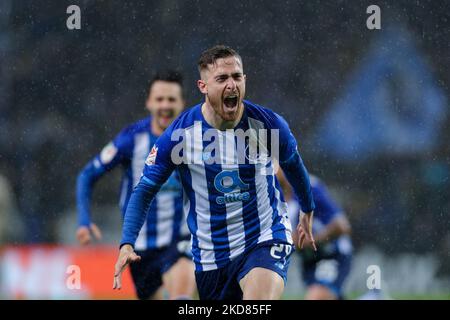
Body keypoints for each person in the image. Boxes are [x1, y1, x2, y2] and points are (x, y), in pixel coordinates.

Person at [113, 45, 316, 300]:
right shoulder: (180, 136)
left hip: (264, 236)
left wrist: (307, 208)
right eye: (221, 79)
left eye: (236, 77)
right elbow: (144, 189)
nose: (232, 85)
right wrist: (127, 242)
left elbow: (293, 164)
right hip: (211, 255)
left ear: (245, 80)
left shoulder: (268, 126)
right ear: (203, 86)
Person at [76, 70, 196, 300]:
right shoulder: (132, 139)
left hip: (180, 240)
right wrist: (84, 220)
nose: (165, 105)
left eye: (171, 99)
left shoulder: (195, 139)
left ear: (182, 103)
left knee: (182, 295)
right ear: (149, 102)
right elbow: (87, 175)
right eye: (159, 99)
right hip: (138, 249)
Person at [277, 170, 352, 300]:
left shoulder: (308, 186)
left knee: (316, 296)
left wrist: (311, 240)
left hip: (331, 254)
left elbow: (342, 226)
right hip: (309, 260)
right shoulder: (268, 192)